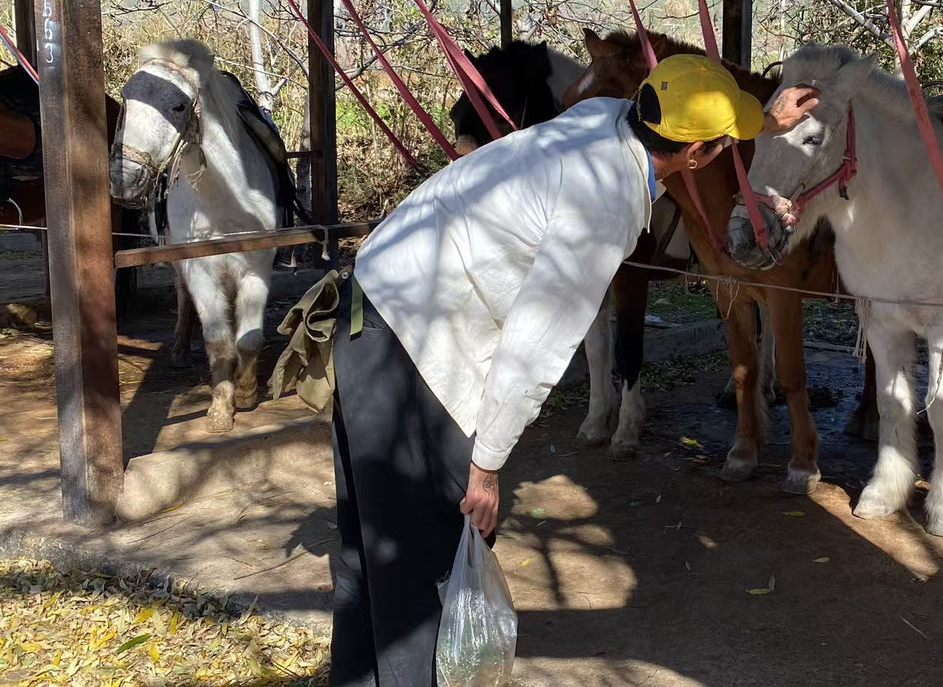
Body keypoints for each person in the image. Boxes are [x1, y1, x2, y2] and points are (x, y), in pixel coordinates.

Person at [327, 54, 819, 686]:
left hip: (372, 305)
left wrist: (766, 124)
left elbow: (684, 131)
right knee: (424, 576)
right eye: (723, 145)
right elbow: (536, 344)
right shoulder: (603, 207)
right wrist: (486, 467)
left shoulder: (603, 118)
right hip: (414, 346)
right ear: (697, 155)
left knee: (367, 558)